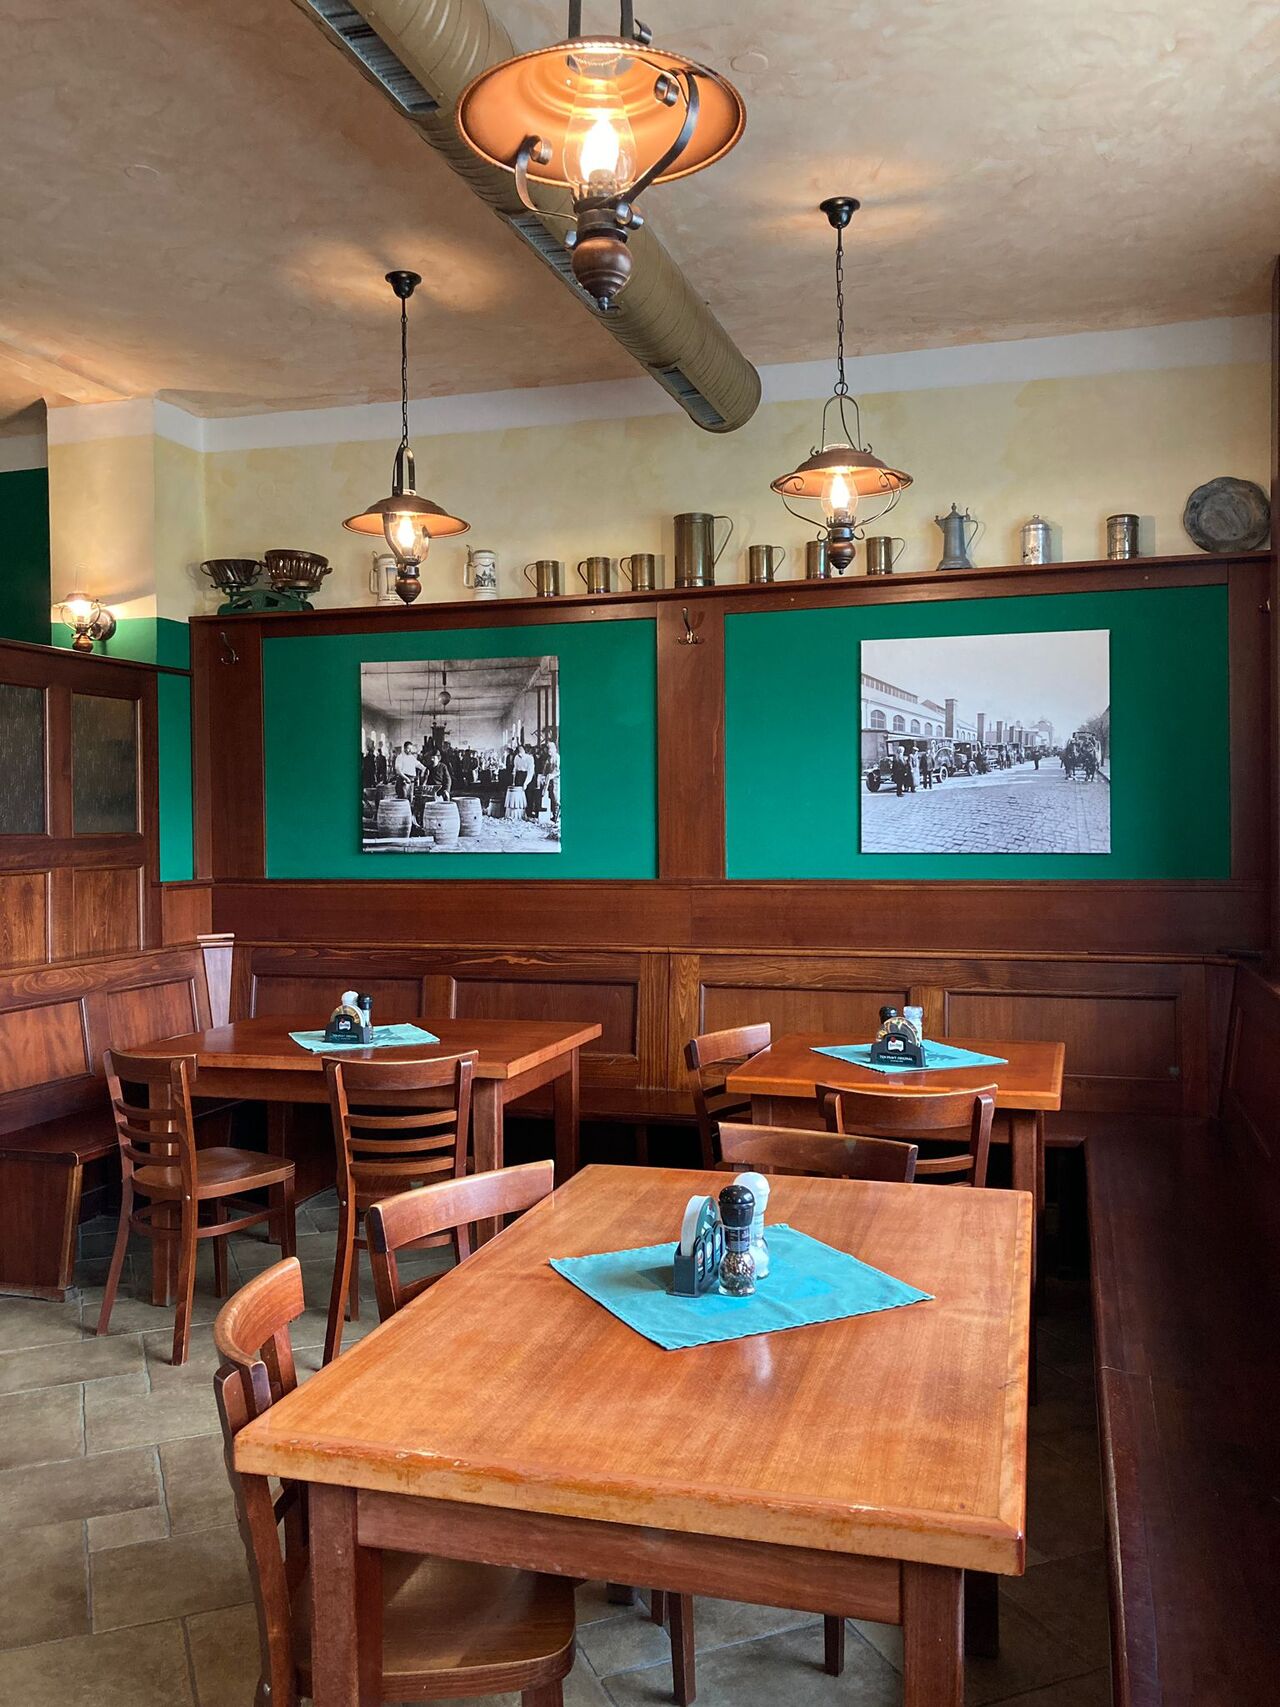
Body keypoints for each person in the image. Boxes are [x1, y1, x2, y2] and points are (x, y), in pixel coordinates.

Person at [543, 736, 561, 825]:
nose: (549, 751)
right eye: (548, 750)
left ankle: (557, 817)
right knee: (551, 798)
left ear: (554, 749)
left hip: (556, 780)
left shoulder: (557, 757)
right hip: (550, 781)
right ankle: (554, 815)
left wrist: (553, 775)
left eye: (550, 749)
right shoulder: (549, 758)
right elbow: (545, 768)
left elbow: (559, 770)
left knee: (556, 798)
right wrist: (543, 776)